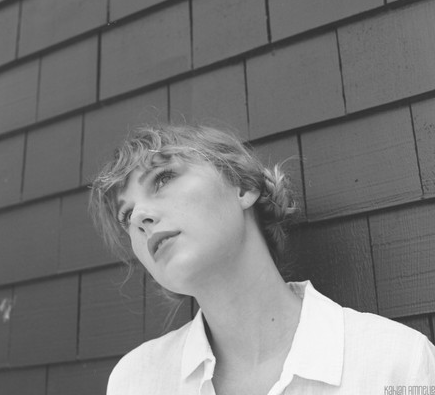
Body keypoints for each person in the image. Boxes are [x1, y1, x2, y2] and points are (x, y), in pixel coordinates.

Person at [90, 124, 435, 395]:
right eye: (126, 215)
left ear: (243, 187)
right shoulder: (136, 381)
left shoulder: (396, 364)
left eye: (164, 178)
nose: (140, 217)